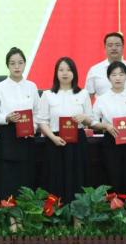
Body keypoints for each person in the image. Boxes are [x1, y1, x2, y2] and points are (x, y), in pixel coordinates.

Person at [38, 57, 92, 203]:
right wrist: (53, 138)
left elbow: (90, 120)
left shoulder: (83, 94)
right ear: (56, 73)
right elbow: (42, 121)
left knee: (77, 175)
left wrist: (84, 118)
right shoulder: (48, 95)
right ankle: (56, 211)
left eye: (68, 70)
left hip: (77, 141)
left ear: (74, 72)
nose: (65, 73)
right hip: (55, 140)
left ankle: (78, 212)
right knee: (55, 175)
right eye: (61, 70)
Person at [91, 61, 126, 196]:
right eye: (114, 75)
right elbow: (92, 121)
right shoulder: (102, 99)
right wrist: (106, 126)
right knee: (113, 177)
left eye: (121, 74)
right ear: (108, 78)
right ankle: (115, 206)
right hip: (111, 140)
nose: (118, 78)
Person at [0, 47, 39, 201]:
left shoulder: (31, 86)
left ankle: (26, 210)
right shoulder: (0, 87)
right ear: (7, 65)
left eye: (20, 63)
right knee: (7, 177)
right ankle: (6, 211)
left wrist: (34, 128)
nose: (17, 67)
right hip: (8, 135)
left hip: (27, 136)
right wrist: (6, 118)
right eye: (12, 63)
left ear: (25, 64)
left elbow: (38, 113)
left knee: (26, 175)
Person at [85, 33, 126, 109]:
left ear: (123, 48)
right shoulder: (94, 70)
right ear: (105, 48)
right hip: (103, 114)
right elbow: (88, 96)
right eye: (110, 45)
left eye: (118, 45)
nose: (114, 48)